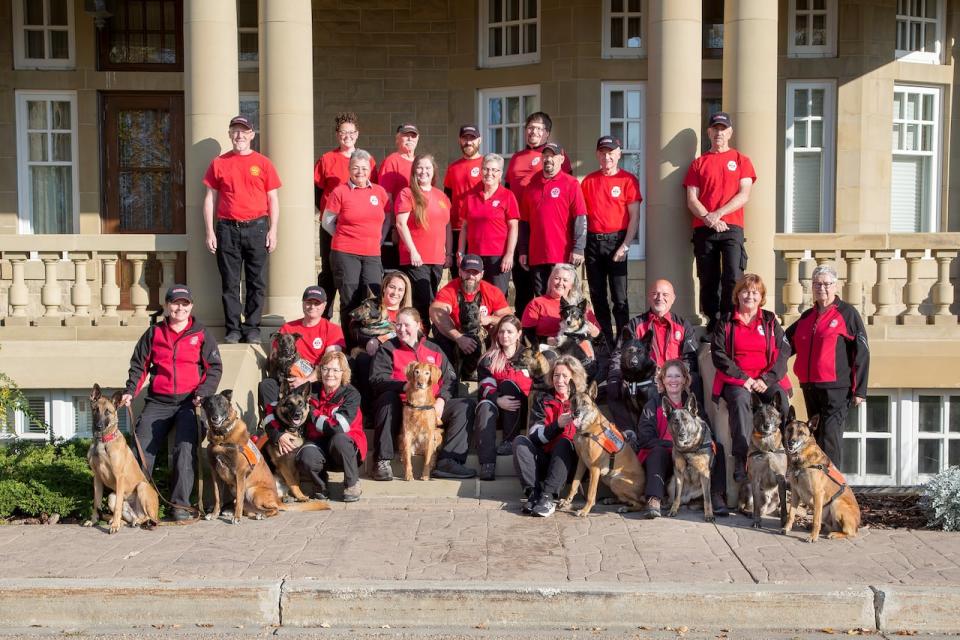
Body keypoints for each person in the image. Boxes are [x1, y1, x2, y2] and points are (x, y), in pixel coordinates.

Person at [119, 285, 222, 521]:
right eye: (175, 303)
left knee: (185, 450)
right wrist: (129, 392)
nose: (180, 308)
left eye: (185, 304)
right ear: (167, 306)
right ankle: (134, 503)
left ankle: (181, 506)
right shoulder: (154, 333)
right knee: (141, 446)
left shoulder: (201, 333)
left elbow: (214, 368)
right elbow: (139, 366)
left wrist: (203, 393)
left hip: (189, 402)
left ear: (191, 306)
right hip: (159, 401)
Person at [369, 307, 477, 481]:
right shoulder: (388, 348)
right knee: (387, 399)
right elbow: (377, 379)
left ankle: (448, 461)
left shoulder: (434, 348)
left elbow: (450, 378)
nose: (401, 329)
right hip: (403, 408)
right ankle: (382, 461)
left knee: (466, 405)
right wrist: (403, 386)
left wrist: (442, 399)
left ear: (418, 325)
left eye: (406, 325)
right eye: (398, 325)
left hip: (431, 405)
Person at [203, 115, 281, 344]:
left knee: (256, 282)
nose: (239, 135)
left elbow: (273, 199)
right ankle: (233, 329)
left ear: (251, 135)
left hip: (257, 228)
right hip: (227, 229)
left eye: (244, 131)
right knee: (230, 282)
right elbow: (209, 199)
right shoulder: (219, 163)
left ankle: (252, 328)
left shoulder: (263, 163)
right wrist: (210, 231)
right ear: (229, 135)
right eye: (235, 131)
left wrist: (273, 229)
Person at [711, 274, 792, 486]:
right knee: (739, 403)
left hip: (765, 377)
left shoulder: (769, 320)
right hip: (738, 379)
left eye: (755, 292)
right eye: (745, 291)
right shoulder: (727, 320)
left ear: (761, 296)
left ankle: (786, 454)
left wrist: (768, 378)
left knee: (781, 400)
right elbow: (718, 353)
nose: (750, 296)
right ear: (737, 295)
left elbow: (784, 350)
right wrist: (743, 378)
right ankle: (742, 458)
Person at [785, 264, 869, 468]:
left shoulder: (847, 314)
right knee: (816, 437)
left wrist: (860, 390)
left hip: (836, 388)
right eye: (816, 284)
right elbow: (784, 343)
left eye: (826, 284)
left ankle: (833, 487)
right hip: (810, 386)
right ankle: (817, 486)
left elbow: (862, 351)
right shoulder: (807, 316)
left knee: (830, 437)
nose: (821, 288)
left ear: (836, 286)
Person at [684, 111, 756, 336]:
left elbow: (744, 194)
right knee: (708, 278)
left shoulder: (741, 160)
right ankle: (713, 322)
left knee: (733, 276)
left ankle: (729, 321)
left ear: (730, 132)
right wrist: (709, 218)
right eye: (715, 129)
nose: (719, 133)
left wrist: (719, 214)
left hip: (731, 227)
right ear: (709, 132)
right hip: (704, 228)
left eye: (723, 129)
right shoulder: (699, 163)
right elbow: (691, 198)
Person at [265, 351, 365, 503]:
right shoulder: (311, 389)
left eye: (335, 370)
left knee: (339, 440)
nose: (329, 374)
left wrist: (312, 413)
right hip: (319, 444)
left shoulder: (352, 395)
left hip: (346, 449)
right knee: (306, 455)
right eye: (325, 369)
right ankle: (320, 485)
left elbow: (337, 427)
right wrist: (278, 434)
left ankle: (352, 483)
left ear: (343, 373)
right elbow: (275, 407)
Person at [607, 279, 701, 431]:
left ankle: (698, 429)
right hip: (644, 379)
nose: (659, 298)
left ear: (673, 298)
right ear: (649, 297)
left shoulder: (683, 325)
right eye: (655, 294)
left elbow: (690, 358)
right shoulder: (635, 324)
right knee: (613, 390)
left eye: (665, 294)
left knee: (695, 379)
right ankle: (630, 435)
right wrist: (614, 376)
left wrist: (673, 375)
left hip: (674, 379)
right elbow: (619, 354)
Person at [504, 112, 573, 316]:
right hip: (520, 228)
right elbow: (507, 192)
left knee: (551, 288)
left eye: (539, 128)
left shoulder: (556, 157)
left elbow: (566, 192)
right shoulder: (516, 158)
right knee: (522, 286)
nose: (533, 132)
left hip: (548, 233)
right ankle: (525, 334)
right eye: (530, 128)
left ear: (547, 133)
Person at [314, 112, 378, 319]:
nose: (347, 136)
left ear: (357, 134)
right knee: (329, 272)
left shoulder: (368, 160)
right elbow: (317, 191)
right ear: (337, 134)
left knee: (355, 277)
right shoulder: (327, 159)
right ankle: (324, 317)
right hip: (332, 225)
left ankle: (359, 318)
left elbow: (373, 189)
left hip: (360, 231)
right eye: (343, 132)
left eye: (351, 132)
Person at [580, 135, 641, 347]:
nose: (607, 156)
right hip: (593, 243)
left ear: (618, 154)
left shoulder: (628, 180)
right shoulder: (588, 181)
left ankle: (624, 340)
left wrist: (625, 245)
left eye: (611, 152)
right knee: (597, 296)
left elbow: (635, 216)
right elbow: (582, 217)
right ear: (598, 154)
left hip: (617, 241)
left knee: (619, 297)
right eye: (603, 152)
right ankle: (605, 339)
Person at [634, 360, 710, 519]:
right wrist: (673, 446)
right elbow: (645, 438)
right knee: (658, 452)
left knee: (718, 448)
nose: (673, 380)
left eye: (678, 376)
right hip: (663, 461)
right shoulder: (653, 404)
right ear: (662, 380)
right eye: (669, 376)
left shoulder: (693, 405)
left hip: (690, 458)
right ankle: (654, 499)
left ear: (685, 380)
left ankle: (716, 495)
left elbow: (707, 433)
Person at [512, 355, 585, 518]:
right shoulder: (542, 398)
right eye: (556, 375)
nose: (559, 380)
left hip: (570, 463)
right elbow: (534, 436)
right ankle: (534, 494)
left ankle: (548, 497)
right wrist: (556, 426)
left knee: (565, 442)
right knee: (520, 442)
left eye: (565, 376)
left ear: (575, 378)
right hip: (545, 458)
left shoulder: (582, 401)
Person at [322, 150, 389, 321]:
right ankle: (351, 345)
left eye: (364, 168)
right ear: (349, 169)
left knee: (373, 299)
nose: (360, 172)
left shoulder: (380, 192)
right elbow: (327, 222)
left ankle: (368, 344)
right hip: (345, 253)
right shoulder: (340, 192)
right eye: (356, 168)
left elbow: (388, 218)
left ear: (370, 170)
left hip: (372, 254)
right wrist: (344, 236)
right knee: (349, 300)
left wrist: (380, 238)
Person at [257, 285, 345, 412]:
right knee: (267, 385)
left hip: (314, 380)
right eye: (309, 302)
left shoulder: (332, 329)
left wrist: (305, 380)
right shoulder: (288, 328)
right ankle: (273, 423)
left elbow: (330, 361)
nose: (312, 306)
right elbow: (274, 356)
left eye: (317, 303)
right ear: (303, 304)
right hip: (287, 377)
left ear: (324, 305)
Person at [518, 142, 588, 296]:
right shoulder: (531, 186)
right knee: (541, 296)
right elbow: (524, 222)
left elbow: (580, 217)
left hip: (562, 255)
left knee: (563, 298)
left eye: (553, 156)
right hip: (536, 254)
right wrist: (523, 250)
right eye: (545, 155)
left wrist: (578, 248)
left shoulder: (571, 183)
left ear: (561, 159)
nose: (548, 159)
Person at [395, 154, 452, 330]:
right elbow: (400, 223)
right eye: (419, 167)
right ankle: (421, 339)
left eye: (427, 167)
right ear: (414, 171)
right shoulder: (407, 193)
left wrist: (448, 253)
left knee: (432, 299)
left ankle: (426, 339)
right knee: (423, 301)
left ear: (434, 170)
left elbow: (447, 226)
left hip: (436, 258)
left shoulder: (441, 196)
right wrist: (413, 251)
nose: (423, 171)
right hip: (416, 259)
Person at [429, 254, 512, 375]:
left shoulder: (492, 291)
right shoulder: (449, 289)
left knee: (502, 330)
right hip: (455, 336)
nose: (471, 276)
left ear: (482, 274)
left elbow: (511, 320)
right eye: (467, 271)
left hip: (482, 337)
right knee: (438, 327)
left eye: (475, 272)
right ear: (460, 272)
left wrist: (490, 319)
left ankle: (495, 374)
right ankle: (449, 374)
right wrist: (458, 337)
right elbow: (436, 312)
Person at [349, 271, 413, 419]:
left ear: (405, 293)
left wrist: (380, 340)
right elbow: (354, 328)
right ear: (384, 288)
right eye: (392, 287)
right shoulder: (370, 305)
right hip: (369, 355)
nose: (395, 292)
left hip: (396, 356)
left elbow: (416, 337)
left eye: (400, 289)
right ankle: (366, 413)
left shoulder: (408, 314)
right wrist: (368, 341)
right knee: (363, 360)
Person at [476, 315, 534, 471]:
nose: (505, 336)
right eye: (501, 332)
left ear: (519, 334)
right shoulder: (488, 359)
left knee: (509, 384)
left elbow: (536, 384)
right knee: (485, 405)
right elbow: (486, 386)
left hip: (524, 410)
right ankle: (487, 464)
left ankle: (510, 441)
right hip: (499, 411)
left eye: (509, 332)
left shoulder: (529, 357)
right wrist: (497, 399)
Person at [457, 153, 519, 294]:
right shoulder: (471, 196)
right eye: (486, 169)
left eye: (494, 170)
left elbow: (513, 227)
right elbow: (464, 227)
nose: (489, 173)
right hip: (474, 256)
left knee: (497, 296)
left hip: (498, 257)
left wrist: (509, 254)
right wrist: (460, 252)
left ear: (500, 173)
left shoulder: (508, 196)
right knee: (473, 295)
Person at [521, 263, 600, 367]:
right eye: (557, 278)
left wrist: (596, 333)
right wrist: (545, 340)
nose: (560, 283)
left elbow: (597, 335)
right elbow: (526, 336)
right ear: (550, 281)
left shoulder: (580, 306)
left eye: (565, 280)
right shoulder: (537, 303)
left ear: (571, 285)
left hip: (577, 352)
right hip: (549, 350)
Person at [443, 124, 484, 280]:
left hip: (477, 228)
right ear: (460, 141)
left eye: (472, 138)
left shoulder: (486, 165)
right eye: (465, 138)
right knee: (458, 275)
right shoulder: (453, 168)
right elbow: (447, 198)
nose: (468, 142)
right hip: (456, 228)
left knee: (477, 275)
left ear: (479, 140)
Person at [378, 123, 420, 271]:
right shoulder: (392, 161)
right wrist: (393, 226)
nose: (409, 138)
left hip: (416, 227)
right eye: (405, 135)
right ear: (397, 138)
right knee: (394, 273)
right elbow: (386, 198)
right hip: (397, 227)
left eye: (413, 135)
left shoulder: (420, 164)